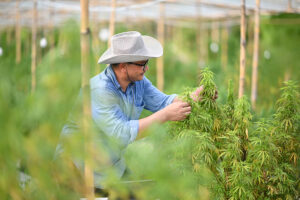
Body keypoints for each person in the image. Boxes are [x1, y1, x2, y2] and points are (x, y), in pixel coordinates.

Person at [56, 31, 205, 191]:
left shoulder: (138, 81)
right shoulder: (99, 91)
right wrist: (166, 115)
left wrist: (194, 96)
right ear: (123, 67)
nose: (146, 68)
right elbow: (121, 134)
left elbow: (163, 102)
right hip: (78, 170)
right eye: (142, 64)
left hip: (109, 166)